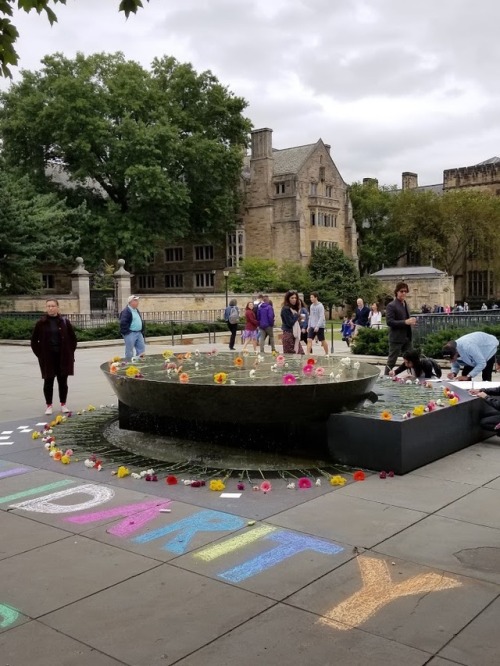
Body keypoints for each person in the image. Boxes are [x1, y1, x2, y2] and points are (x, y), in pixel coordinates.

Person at [30, 299, 77, 415]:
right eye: (48, 306)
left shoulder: (64, 321)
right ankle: (49, 405)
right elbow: (34, 341)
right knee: (48, 381)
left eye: (53, 306)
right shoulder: (41, 323)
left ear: (57, 307)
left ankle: (63, 404)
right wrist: (40, 355)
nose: (50, 308)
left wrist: (70, 353)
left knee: (63, 381)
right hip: (48, 357)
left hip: (62, 357)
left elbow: (73, 339)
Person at [384, 281, 417, 375]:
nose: (404, 293)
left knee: (411, 359)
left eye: (405, 291)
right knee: (391, 361)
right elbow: (389, 322)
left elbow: (406, 319)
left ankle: (415, 376)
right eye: (401, 291)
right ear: (397, 292)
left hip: (407, 337)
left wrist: (411, 322)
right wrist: (405, 322)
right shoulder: (391, 305)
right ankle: (386, 379)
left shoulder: (405, 304)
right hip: (396, 338)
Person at [119, 295, 146, 361]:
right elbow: (123, 322)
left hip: (139, 333)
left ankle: (139, 362)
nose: (137, 302)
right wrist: (127, 332)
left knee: (141, 349)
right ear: (130, 302)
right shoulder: (126, 311)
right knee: (129, 350)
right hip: (130, 333)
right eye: (135, 300)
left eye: (137, 300)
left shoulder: (136, 310)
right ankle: (129, 363)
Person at [281, 290, 304, 354]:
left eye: (295, 298)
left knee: (300, 354)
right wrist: (297, 316)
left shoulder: (294, 310)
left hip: (295, 334)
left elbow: (298, 321)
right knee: (291, 356)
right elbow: (290, 323)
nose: (294, 300)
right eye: (292, 298)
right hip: (288, 334)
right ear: (288, 299)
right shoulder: (286, 309)